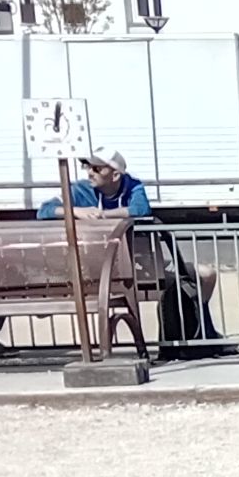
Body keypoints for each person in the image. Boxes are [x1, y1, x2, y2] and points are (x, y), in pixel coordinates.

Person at [56, 147, 219, 346]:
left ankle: (199, 326)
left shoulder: (133, 187)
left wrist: (103, 215)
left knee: (207, 274)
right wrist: (76, 211)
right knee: (200, 276)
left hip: (138, 268)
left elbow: (141, 209)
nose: (90, 172)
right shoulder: (81, 190)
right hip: (104, 271)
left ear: (115, 174)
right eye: (88, 166)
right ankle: (202, 332)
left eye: (97, 168)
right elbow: (44, 211)